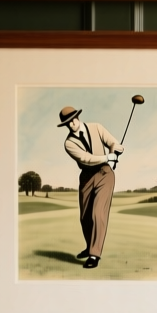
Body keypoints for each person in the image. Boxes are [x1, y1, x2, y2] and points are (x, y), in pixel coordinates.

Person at [57, 105, 123, 268]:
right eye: (67, 123)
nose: (72, 124)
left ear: (77, 117)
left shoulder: (96, 127)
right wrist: (108, 157)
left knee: (97, 213)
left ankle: (94, 255)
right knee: (85, 217)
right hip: (86, 177)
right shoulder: (69, 143)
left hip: (104, 174)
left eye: (73, 120)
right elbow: (86, 158)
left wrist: (116, 151)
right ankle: (89, 247)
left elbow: (114, 143)